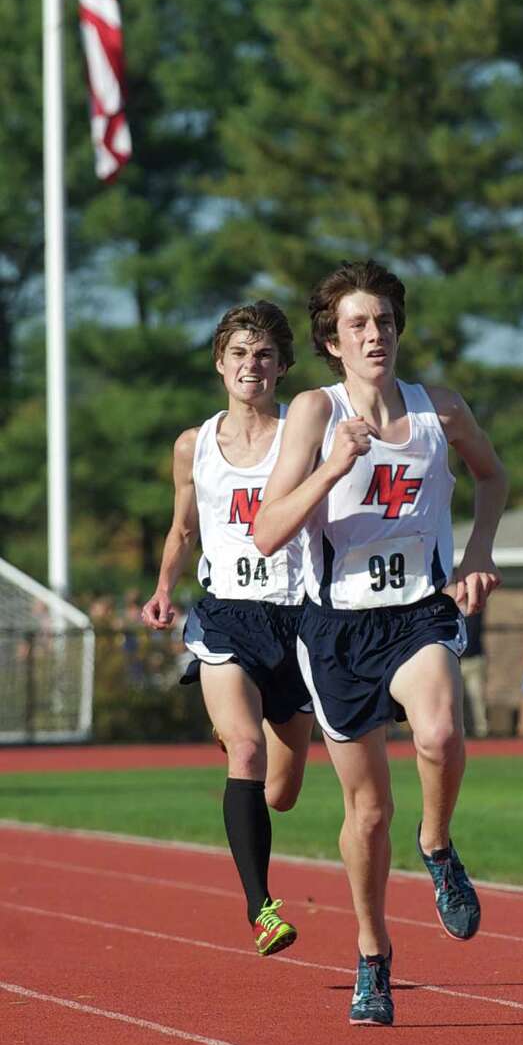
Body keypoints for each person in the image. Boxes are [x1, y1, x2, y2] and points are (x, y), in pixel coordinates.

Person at [253, 260, 507, 1028]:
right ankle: (372, 954)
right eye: (358, 325)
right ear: (332, 340)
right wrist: (335, 463)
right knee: (367, 814)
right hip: (336, 629)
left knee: (440, 731)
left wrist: (477, 555)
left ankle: (436, 843)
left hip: (418, 611)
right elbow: (268, 531)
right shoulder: (312, 412)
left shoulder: (441, 411)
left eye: (385, 322)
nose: (375, 336)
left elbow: (492, 479)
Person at [141, 301, 314, 958]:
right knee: (245, 751)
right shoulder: (195, 443)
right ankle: (261, 909)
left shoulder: (306, 433)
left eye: (264, 354)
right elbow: (184, 527)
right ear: (220, 363)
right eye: (239, 353)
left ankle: (253, 746)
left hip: (297, 619)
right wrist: (163, 587)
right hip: (226, 615)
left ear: (282, 367)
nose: (252, 365)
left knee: (282, 791)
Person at [459, 609, 489, 738]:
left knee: (477, 697)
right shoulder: (448, 610)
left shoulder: (475, 609)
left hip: (474, 660)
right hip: (456, 660)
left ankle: (481, 730)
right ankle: (460, 730)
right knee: (457, 699)